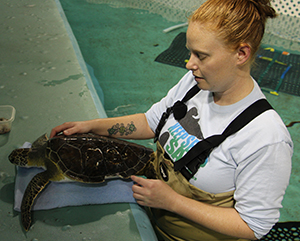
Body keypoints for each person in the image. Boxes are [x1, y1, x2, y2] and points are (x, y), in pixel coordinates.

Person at [50, 0, 293, 240]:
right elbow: (150, 122)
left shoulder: (266, 137)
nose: (189, 64)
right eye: (190, 51)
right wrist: (92, 126)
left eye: (201, 55)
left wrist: (172, 202)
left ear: (241, 53)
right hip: (153, 217)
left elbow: (253, 226)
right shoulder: (195, 85)